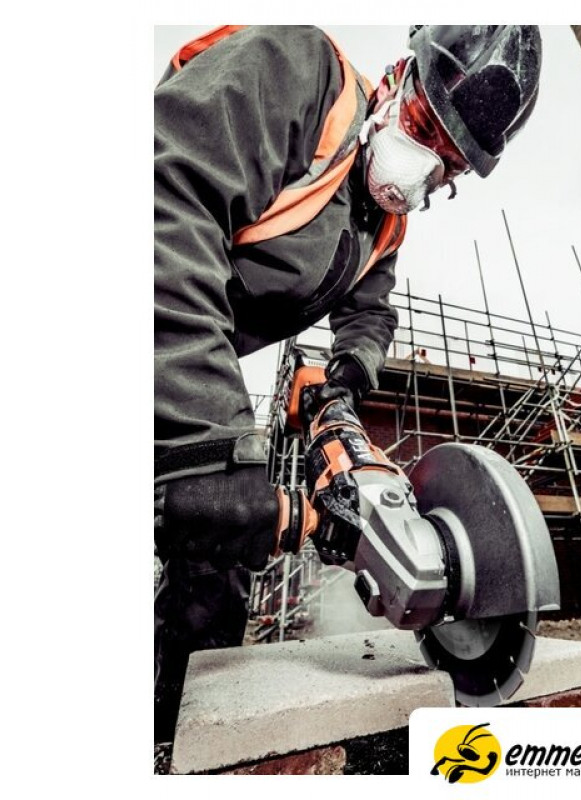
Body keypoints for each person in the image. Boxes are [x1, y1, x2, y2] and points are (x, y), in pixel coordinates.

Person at [154, 24, 542, 743]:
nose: (423, 166)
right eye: (423, 127)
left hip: (187, 342)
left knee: (219, 552)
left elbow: (369, 311)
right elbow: (164, 199)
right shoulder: (298, 72)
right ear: (397, 78)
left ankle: (169, 739)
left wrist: (344, 381)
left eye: (447, 166)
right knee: (210, 490)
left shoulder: (384, 225)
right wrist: (208, 440)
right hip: (161, 311)